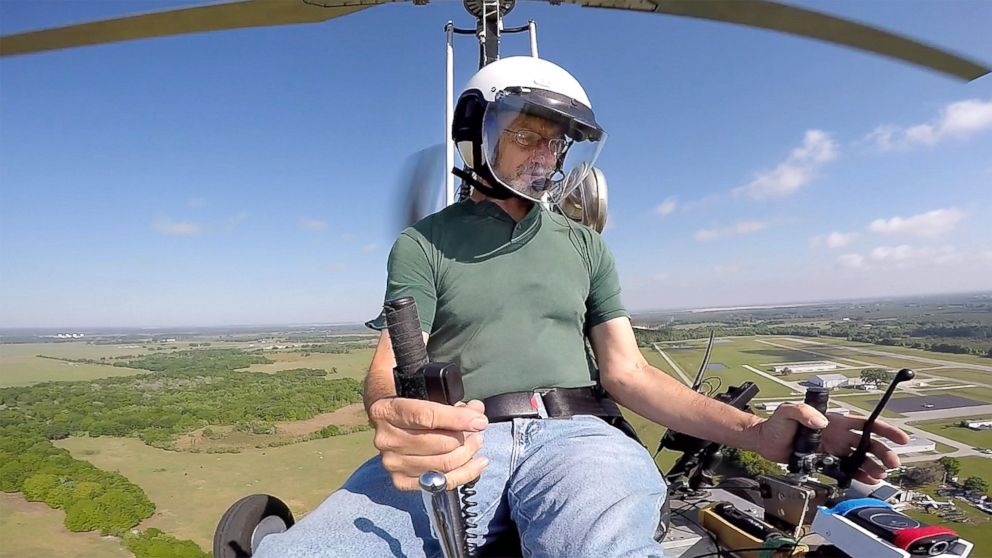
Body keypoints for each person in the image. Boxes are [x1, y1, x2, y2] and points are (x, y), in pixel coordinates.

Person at [254, 56, 908, 558]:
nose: (544, 156)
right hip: (456, 440)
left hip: (579, 436)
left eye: (555, 144)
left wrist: (758, 433)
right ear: (479, 138)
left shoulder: (585, 247)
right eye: (527, 135)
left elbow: (627, 374)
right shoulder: (423, 243)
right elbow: (389, 365)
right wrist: (391, 413)